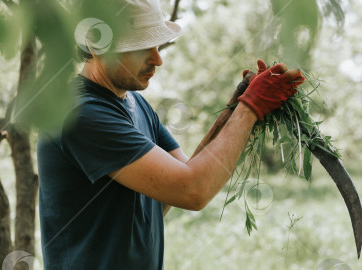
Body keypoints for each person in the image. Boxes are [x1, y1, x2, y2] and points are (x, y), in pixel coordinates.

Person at [36, 0, 305, 268]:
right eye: (141, 47)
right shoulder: (79, 114)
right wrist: (251, 109)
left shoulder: (135, 104)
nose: (158, 59)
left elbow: (178, 181)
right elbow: (193, 190)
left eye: (157, 44)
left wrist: (234, 110)